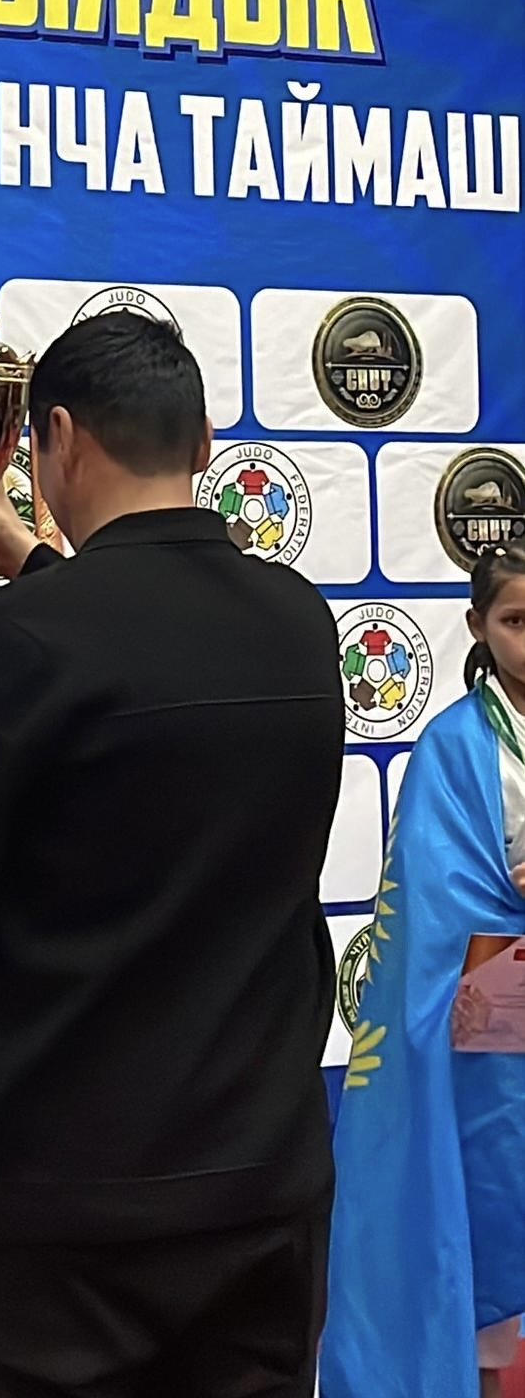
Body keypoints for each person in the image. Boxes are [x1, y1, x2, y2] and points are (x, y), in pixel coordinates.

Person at [0, 311, 346, 1398]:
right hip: (263, 1183)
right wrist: (42, 571)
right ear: (203, 442)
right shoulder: (299, 622)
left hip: (63, 1199)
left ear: (55, 436)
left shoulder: (23, 641)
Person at [320, 544, 525, 1398]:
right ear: (476, 626)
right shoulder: (452, 745)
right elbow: (438, 906)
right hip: (499, 1011)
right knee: (484, 1203)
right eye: (514, 620)